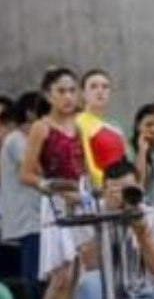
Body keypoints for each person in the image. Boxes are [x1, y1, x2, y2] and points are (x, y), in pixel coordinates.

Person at [20, 68, 86, 299]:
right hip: (57, 203)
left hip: (83, 201)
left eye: (72, 90)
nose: (68, 96)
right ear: (49, 95)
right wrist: (55, 188)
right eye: (61, 91)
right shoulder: (42, 127)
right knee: (61, 276)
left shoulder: (82, 124)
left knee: (78, 274)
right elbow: (26, 174)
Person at [70, 160, 154, 299]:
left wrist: (141, 232)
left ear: (139, 188)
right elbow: (90, 264)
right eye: (115, 192)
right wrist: (107, 216)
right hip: (107, 292)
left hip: (145, 293)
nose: (123, 198)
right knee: (89, 284)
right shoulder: (93, 215)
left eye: (128, 191)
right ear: (105, 192)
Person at [2, 92, 46, 299]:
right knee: (33, 278)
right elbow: (38, 170)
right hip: (29, 221)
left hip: (40, 219)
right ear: (30, 114)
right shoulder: (16, 140)